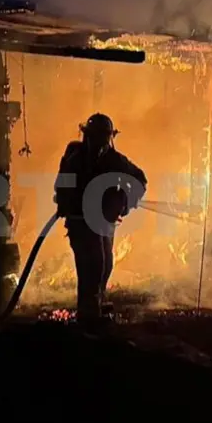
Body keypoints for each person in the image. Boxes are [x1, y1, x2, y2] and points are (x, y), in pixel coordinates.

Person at [54, 113, 147, 329]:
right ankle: (87, 314)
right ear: (86, 136)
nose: (99, 143)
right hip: (79, 222)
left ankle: (95, 302)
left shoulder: (115, 160)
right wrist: (65, 202)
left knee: (106, 265)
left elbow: (140, 179)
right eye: (95, 137)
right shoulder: (73, 157)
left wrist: (125, 202)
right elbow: (62, 184)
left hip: (104, 222)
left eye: (103, 138)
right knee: (92, 264)